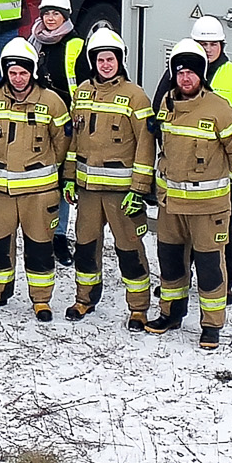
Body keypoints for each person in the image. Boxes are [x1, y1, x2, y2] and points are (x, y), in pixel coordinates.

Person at [146, 38, 232, 350]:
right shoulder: (167, 104)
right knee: (171, 263)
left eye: (191, 72)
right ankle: (171, 314)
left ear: (201, 75)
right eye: (180, 73)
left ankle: (211, 326)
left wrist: (226, 181)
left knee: (209, 268)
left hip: (208, 208)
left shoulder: (219, 109)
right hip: (171, 206)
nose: (185, 78)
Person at [152, 15, 232, 301]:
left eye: (213, 44)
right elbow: (159, 112)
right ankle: (177, 282)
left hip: (217, 174)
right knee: (177, 236)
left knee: (220, 237)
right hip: (181, 174)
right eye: (202, 43)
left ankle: (225, 285)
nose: (208, 49)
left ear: (222, 45)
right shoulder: (178, 70)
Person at [61, 29, 156, 328]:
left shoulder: (136, 96)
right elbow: (74, 140)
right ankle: (84, 298)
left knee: (129, 249)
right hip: (88, 191)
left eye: (110, 59)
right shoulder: (82, 93)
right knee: (86, 246)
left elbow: (146, 144)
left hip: (121, 193)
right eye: (100, 59)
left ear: (120, 61)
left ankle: (138, 307)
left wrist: (139, 190)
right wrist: (68, 178)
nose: (105, 65)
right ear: (93, 61)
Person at [0, 37, 70, 323]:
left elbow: (61, 143)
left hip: (39, 193)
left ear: (33, 72)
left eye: (23, 72)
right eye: (12, 72)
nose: (17, 78)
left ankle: (41, 300)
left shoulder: (52, 102)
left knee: (40, 246)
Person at [30, 0, 86, 265]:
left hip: (67, 122)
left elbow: (85, 85)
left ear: (65, 17)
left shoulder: (75, 45)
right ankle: (39, 230)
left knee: (64, 178)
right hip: (40, 119)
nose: (50, 19)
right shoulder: (35, 40)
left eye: (56, 14)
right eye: (47, 14)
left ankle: (59, 235)